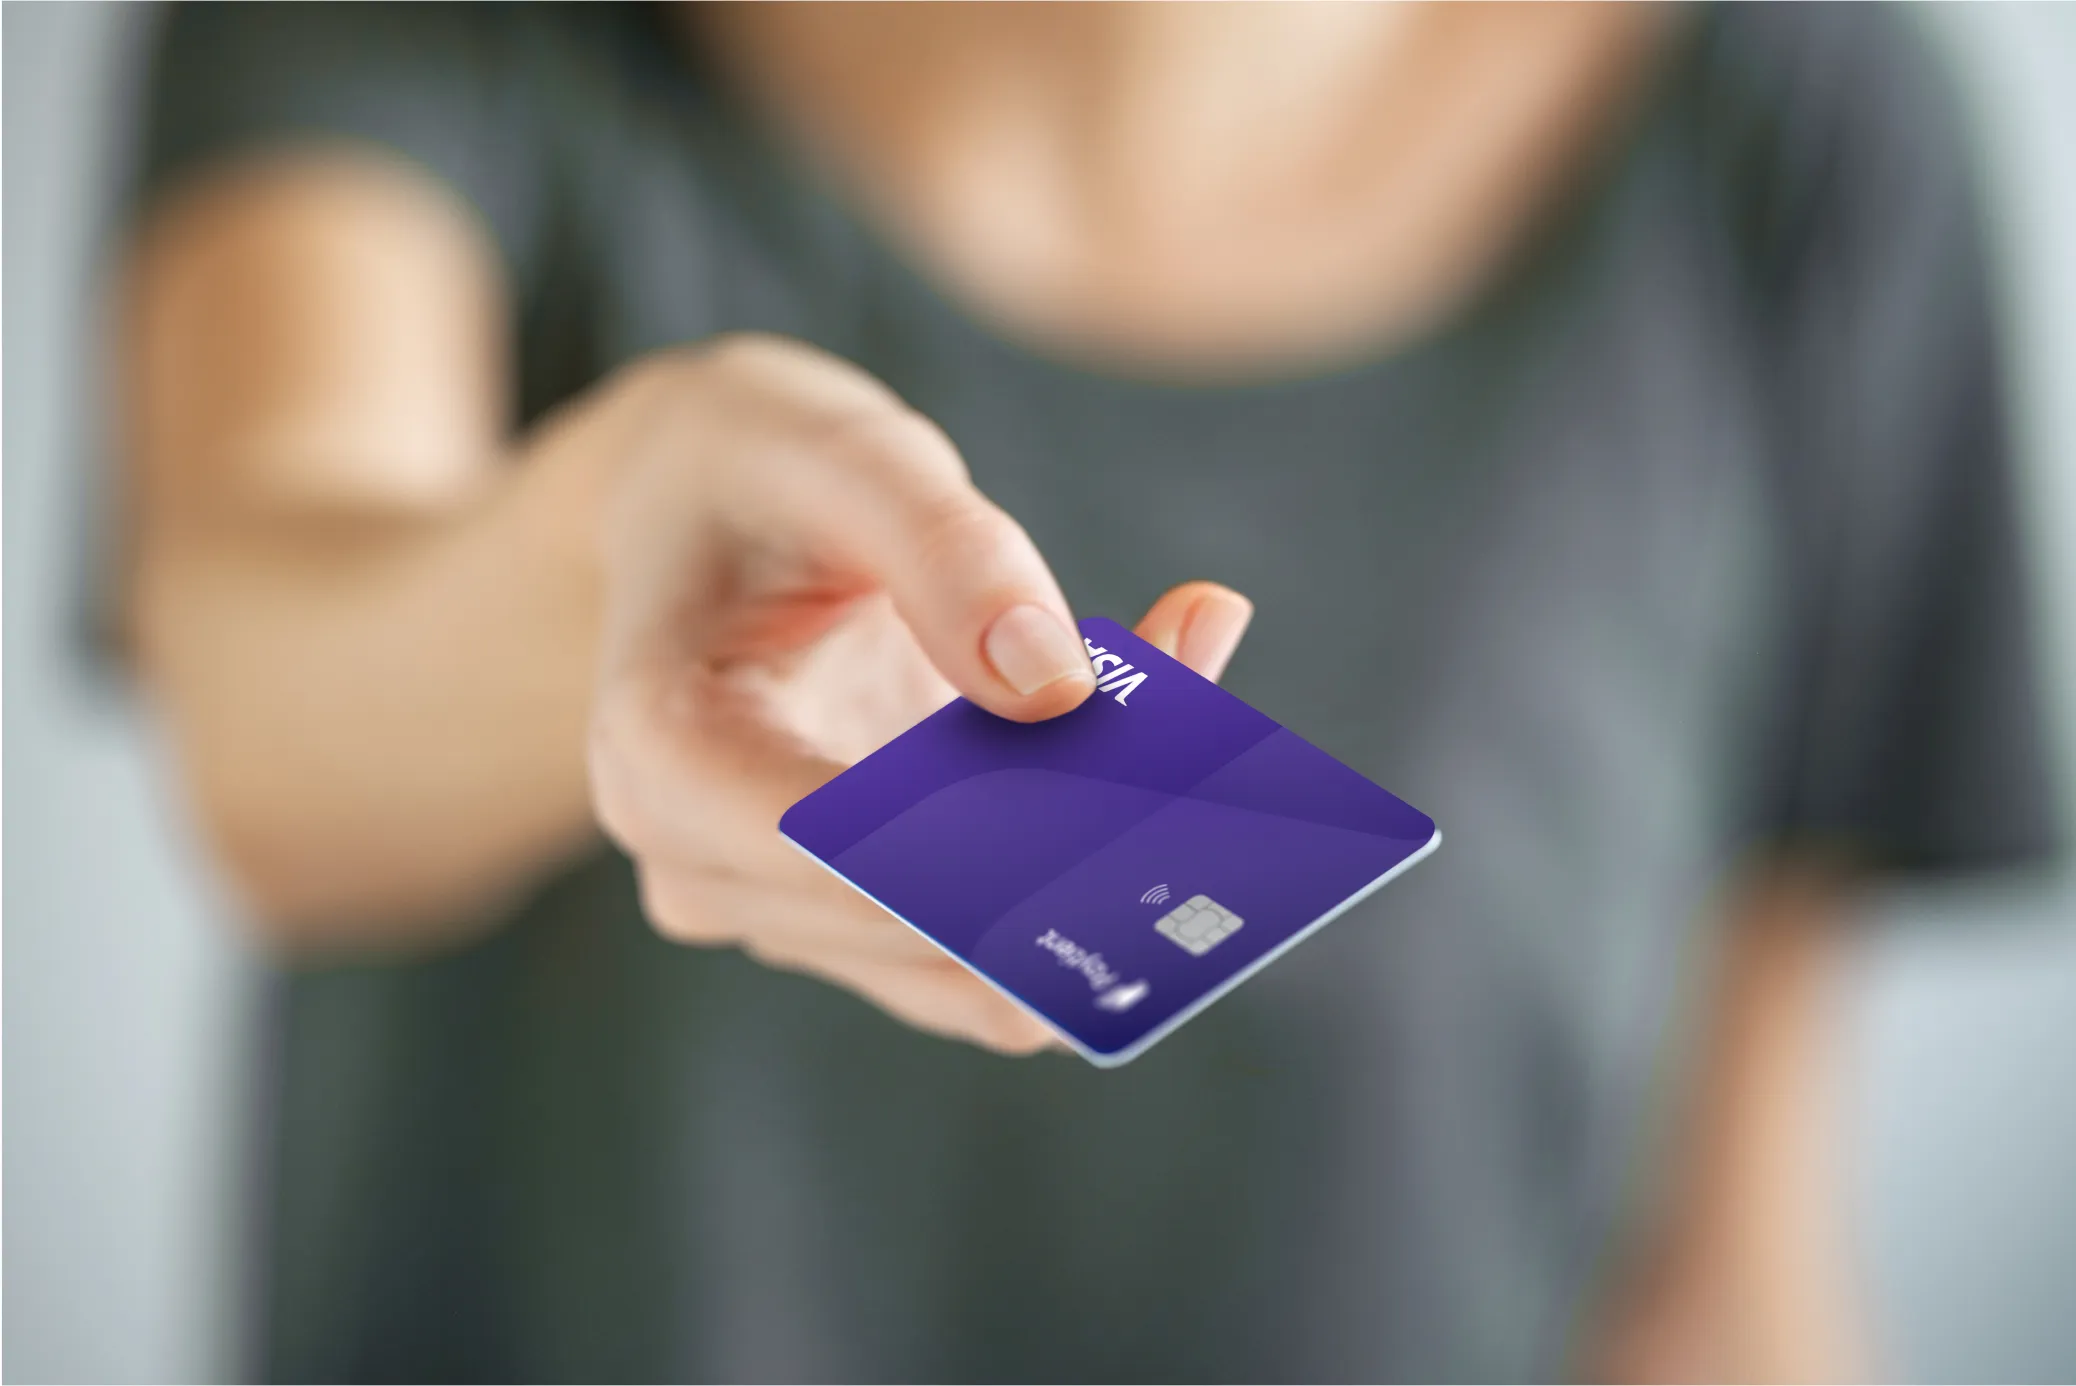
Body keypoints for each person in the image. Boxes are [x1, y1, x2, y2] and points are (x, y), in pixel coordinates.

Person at [120, 3, 2058, 1381]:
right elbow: (268, 718)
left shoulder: (1801, 127)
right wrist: (607, 554)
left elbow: (1720, 1267)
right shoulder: (420, 35)